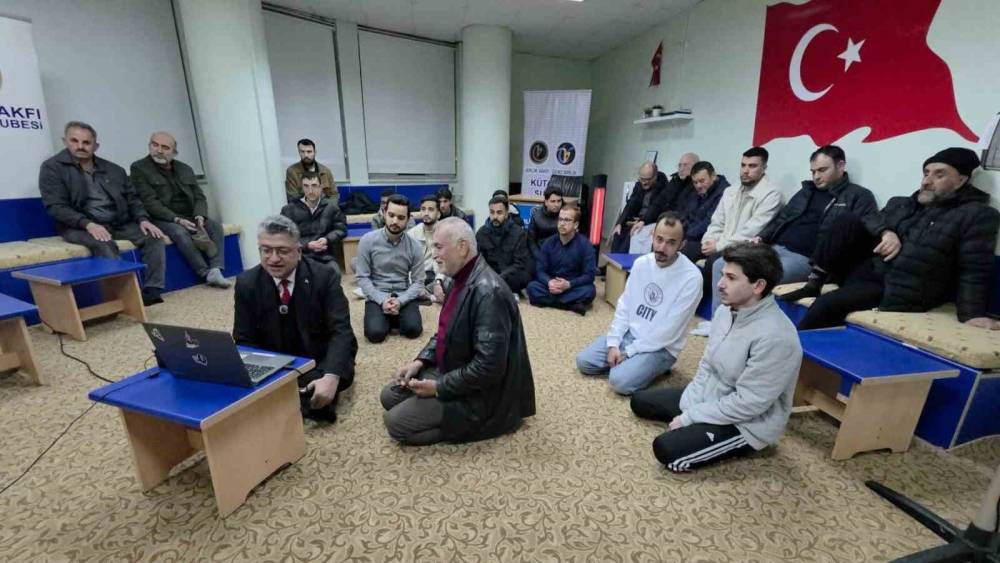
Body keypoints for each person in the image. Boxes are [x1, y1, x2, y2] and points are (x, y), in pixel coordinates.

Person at [630, 242, 802, 472]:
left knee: (667, 450)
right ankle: (696, 420)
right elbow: (707, 365)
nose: (720, 284)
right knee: (639, 401)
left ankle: (727, 440)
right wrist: (692, 405)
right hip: (712, 396)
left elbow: (749, 404)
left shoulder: (777, 337)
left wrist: (690, 417)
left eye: (731, 278)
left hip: (747, 423)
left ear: (758, 285)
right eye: (722, 275)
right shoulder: (725, 311)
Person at [786, 147, 1000, 331]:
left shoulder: (977, 215)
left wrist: (972, 314)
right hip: (868, 269)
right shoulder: (903, 203)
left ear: (961, 180)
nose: (926, 181)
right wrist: (886, 232)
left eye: (939, 175)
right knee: (847, 220)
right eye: (926, 173)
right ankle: (814, 282)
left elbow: (974, 267)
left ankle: (792, 359)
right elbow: (870, 218)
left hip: (898, 288)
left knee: (826, 305)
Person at [380, 217, 536, 445]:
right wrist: (420, 361)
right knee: (389, 396)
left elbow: (489, 368)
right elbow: (444, 332)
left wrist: (439, 387)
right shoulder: (459, 278)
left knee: (396, 423)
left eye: (438, 247)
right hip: (454, 368)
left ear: (462, 248)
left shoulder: (489, 293)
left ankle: (469, 426)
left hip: (482, 394)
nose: (434, 254)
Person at [234, 215, 357, 423]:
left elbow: (341, 332)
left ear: (299, 252)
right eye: (266, 250)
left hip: (320, 358)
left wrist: (331, 376)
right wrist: (260, 373)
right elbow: (243, 338)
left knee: (320, 400)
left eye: (282, 251)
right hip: (275, 362)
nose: (273, 259)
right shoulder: (247, 282)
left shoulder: (325, 277)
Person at [39, 121, 166, 305]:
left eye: (86, 142)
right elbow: (56, 206)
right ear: (65, 141)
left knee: (154, 236)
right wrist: (88, 224)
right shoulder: (52, 168)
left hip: (118, 222)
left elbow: (133, 199)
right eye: (74, 141)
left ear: (96, 145)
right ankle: (126, 299)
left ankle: (152, 291)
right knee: (105, 244)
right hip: (80, 226)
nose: (80, 146)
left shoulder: (114, 170)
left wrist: (143, 219)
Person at [576, 212, 703, 395]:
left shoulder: (692, 278)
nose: (662, 247)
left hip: (661, 347)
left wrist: (628, 352)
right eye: (659, 239)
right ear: (653, 236)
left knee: (618, 382)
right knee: (584, 362)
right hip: (631, 335)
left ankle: (655, 367)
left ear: (682, 245)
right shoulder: (641, 263)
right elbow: (625, 306)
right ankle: (631, 366)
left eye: (671, 242)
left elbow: (669, 331)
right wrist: (614, 343)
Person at [753, 145, 877, 285]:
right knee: (733, 266)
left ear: (840, 166)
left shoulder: (859, 196)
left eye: (822, 170)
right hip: (774, 248)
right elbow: (782, 218)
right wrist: (761, 237)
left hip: (806, 258)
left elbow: (861, 235)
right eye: (813, 172)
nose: (816, 177)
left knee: (756, 278)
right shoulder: (806, 192)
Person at [693, 146, 783, 334]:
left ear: (764, 168)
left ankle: (719, 321)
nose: (746, 170)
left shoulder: (772, 194)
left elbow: (751, 231)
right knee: (687, 252)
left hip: (747, 248)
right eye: (743, 165)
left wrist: (718, 245)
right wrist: (709, 240)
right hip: (722, 243)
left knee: (715, 263)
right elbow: (717, 221)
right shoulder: (730, 191)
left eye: (752, 166)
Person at [131, 131, 229, 289]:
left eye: (165, 147)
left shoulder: (185, 169)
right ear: (149, 146)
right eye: (155, 145)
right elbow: (150, 203)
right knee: (179, 232)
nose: (159, 150)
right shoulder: (139, 168)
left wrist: (200, 215)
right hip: (162, 218)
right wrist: (177, 219)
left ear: (174, 152)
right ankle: (205, 273)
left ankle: (216, 269)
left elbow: (199, 196)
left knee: (215, 226)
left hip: (189, 215)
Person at [355, 194, 425, 342]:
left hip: (403, 293)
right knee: (375, 334)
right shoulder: (367, 241)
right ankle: (388, 317)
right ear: (384, 213)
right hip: (377, 293)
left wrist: (400, 301)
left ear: (408, 219)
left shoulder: (415, 246)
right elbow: (362, 277)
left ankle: (391, 316)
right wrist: (382, 300)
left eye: (401, 217)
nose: (395, 221)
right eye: (391, 215)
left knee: (413, 330)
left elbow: (418, 281)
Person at [611, 154, 698, 253]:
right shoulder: (674, 181)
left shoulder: (668, 185)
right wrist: (622, 222)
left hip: (667, 223)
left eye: (685, 165)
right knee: (619, 233)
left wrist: (658, 224)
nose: (681, 169)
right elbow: (636, 203)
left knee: (636, 234)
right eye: (680, 165)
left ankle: (631, 260)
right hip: (647, 219)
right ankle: (615, 260)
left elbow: (675, 210)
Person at [526, 205, 596, 315]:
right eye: (560, 219)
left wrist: (569, 284)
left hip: (572, 285)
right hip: (551, 285)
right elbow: (540, 270)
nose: (562, 223)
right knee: (532, 287)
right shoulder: (548, 243)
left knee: (590, 291)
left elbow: (589, 275)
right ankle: (571, 305)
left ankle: (549, 302)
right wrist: (549, 282)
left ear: (576, 225)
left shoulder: (585, 245)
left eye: (567, 220)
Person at [280, 171, 347, 268]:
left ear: (321, 187)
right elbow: (283, 236)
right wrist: (306, 245)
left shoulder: (331, 207)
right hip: (299, 256)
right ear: (302, 188)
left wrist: (327, 239)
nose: (310, 191)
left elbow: (341, 229)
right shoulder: (289, 210)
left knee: (334, 272)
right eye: (306, 186)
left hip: (325, 256)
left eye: (314, 186)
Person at [476, 194, 532, 295]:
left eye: (499, 212)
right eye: (492, 212)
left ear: (506, 213)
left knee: (523, 277)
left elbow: (519, 263)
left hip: (510, 275)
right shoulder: (481, 233)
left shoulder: (519, 233)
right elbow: (479, 261)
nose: (495, 217)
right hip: (489, 274)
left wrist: (500, 277)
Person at [677, 161, 729, 262]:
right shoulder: (697, 190)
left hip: (707, 239)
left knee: (681, 250)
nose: (698, 186)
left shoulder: (725, 193)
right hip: (689, 234)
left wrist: (682, 235)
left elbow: (709, 222)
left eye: (702, 181)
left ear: (713, 176)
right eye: (695, 182)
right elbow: (685, 213)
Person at [407, 194, 446, 302]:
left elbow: (446, 264)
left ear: (438, 214)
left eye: (431, 209)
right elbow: (407, 264)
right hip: (418, 277)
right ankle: (427, 295)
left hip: (438, 276)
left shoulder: (445, 232)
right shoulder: (412, 234)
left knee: (449, 281)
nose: (426, 213)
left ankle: (422, 294)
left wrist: (438, 281)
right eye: (423, 209)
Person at [285, 138, 337, 203]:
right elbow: (292, 197)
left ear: (315, 152)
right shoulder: (292, 171)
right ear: (299, 152)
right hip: (303, 208)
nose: (306, 155)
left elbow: (334, 195)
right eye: (302, 152)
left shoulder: (325, 171)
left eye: (309, 152)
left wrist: (327, 207)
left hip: (325, 207)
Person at [527, 185, 563, 254]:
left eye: (559, 201)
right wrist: (539, 256)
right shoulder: (536, 216)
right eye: (553, 201)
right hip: (541, 252)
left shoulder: (567, 215)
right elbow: (531, 241)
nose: (556, 204)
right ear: (546, 202)